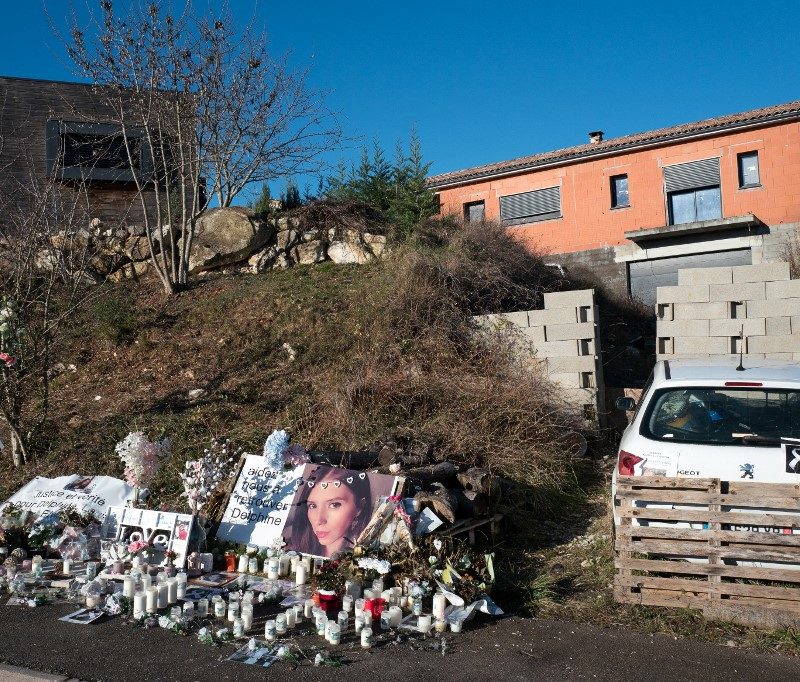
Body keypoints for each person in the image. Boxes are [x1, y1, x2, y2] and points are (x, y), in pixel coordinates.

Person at [288, 467, 372, 558]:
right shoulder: (291, 551)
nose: (318, 520)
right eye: (313, 506)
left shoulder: (366, 556)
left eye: (334, 505)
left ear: (359, 507)